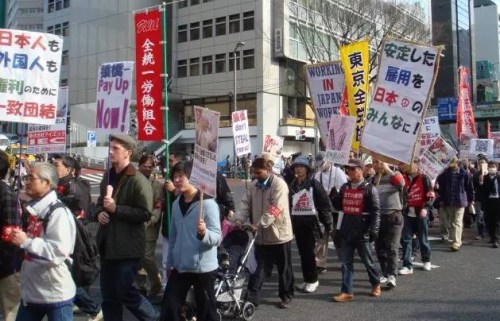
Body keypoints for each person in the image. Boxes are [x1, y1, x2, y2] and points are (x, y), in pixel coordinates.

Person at [95, 134, 159, 321]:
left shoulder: (138, 180)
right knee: (108, 295)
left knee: (124, 290)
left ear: (128, 153)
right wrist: (100, 212)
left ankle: (153, 318)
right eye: (110, 147)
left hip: (128, 248)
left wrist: (117, 209)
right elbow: (99, 203)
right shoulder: (108, 176)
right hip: (107, 245)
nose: (110, 151)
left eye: (116, 148)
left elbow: (145, 213)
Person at [10, 162, 77, 320]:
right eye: (26, 177)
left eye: (31, 178)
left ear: (46, 182)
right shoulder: (34, 209)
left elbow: (58, 251)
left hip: (55, 295)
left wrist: (26, 241)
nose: (26, 181)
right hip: (32, 293)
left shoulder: (58, 213)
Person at [160, 161, 222, 321]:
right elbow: (173, 237)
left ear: (192, 178)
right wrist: (170, 263)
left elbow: (217, 237)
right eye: (175, 177)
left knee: (207, 312)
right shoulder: (175, 204)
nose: (177, 180)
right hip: (181, 267)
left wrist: (204, 233)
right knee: (169, 308)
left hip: (203, 269)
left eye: (181, 176)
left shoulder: (208, 204)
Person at [233, 157, 294, 308]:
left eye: (259, 173)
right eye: (254, 172)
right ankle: (251, 299)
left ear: (268, 170)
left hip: (279, 234)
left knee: (284, 268)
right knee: (257, 268)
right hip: (260, 236)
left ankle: (286, 295)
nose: (256, 175)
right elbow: (245, 204)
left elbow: (275, 208)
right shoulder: (253, 185)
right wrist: (239, 220)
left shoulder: (279, 185)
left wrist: (259, 224)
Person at [52, 154, 102, 321]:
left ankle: (91, 307)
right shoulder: (60, 185)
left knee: (68, 273)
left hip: (76, 236)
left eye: (57, 165)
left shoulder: (74, 188)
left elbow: (75, 213)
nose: (54, 168)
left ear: (69, 169)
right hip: (66, 236)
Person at [332, 158, 381, 302]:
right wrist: (333, 197)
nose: (350, 171)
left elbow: (376, 211)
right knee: (346, 262)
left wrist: (374, 229)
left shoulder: (370, 188)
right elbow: (339, 206)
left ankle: (376, 283)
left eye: (353, 169)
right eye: (349, 169)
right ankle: (346, 291)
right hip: (347, 229)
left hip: (362, 231)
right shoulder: (345, 187)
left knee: (368, 261)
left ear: (362, 170)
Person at [288, 156, 333, 293]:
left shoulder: (314, 184)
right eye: (296, 167)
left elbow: (325, 205)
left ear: (307, 169)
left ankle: (313, 280)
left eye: (301, 167)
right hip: (297, 223)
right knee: (303, 253)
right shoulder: (293, 185)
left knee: (308, 253)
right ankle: (307, 279)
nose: (298, 169)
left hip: (311, 224)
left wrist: (328, 224)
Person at [372, 158, 405, 288]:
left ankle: (392, 275)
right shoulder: (374, 179)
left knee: (392, 247)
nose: (377, 165)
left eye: (379, 162)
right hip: (379, 217)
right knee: (379, 248)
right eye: (374, 163)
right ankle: (385, 273)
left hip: (394, 216)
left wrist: (388, 170)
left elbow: (401, 184)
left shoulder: (395, 175)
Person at [313, 152, 348, 272]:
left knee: (337, 237)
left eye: (322, 163)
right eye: (319, 165)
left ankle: (345, 261)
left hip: (335, 211)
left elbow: (344, 189)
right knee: (321, 237)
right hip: (322, 210)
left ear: (328, 160)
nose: (321, 166)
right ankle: (320, 264)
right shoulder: (317, 175)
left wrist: (334, 192)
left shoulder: (338, 172)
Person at [399, 160, 434, 275]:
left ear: (417, 166)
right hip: (407, 212)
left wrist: (426, 208)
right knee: (406, 239)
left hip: (421, 212)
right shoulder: (403, 178)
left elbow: (430, 195)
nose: (407, 166)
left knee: (423, 238)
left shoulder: (424, 178)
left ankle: (426, 259)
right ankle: (407, 265)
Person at [137, 155, 164, 298]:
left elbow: (159, 204)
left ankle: (155, 282)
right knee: (136, 256)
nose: (147, 169)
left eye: (150, 167)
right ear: (139, 166)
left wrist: (153, 218)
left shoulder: (157, 184)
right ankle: (140, 285)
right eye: (144, 167)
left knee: (146, 255)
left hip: (150, 224)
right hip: (134, 223)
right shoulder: (132, 180)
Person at [0, 150, 22, 321]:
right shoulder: (8, 194)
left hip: (6, 264)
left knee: (10, 311)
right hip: (6, 263)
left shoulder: (7, 194)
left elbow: (11, 231)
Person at [435, 157, 474, 251]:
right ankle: (457, 240)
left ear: (457, 163)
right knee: (452, 223)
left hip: (460, 201)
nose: (451, 165)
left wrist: (471, 199)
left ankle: (456, 243)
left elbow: (469, 187)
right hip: (449, 200)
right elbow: (440, 187)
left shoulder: (464, 173)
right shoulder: (445, 174)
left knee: (457, 222)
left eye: (453, 163)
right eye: (450, 163)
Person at [161, 151, 187, 285]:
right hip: (168, 226)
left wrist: (173, 190)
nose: (169, 164)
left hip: (182, 230)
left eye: (171, 161)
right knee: (166, 261)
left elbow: (186, 198)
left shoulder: (186, 183)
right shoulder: (167, 180)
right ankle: (166, 287)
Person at [479, 161, 500, 248]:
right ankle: (492, 236)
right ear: (487, 168)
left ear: (497, 168)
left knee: (497, 221)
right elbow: (482, 191)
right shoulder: (485, 178)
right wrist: (481, 183)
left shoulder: (499, 178)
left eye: (493, 166)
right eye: (490, 166)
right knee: (488, 221)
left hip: (498, 200)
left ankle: (496, 239)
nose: (492, 168)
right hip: (488, 201)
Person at [472, 156, 488, 240]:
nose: (482, 164)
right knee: (480, 216)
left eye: (483, 162)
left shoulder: (491, 173)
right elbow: (473, 186)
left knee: (489, 216)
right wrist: (480, 182)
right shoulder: (476, 174)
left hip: (490, 199)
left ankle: (490, 232)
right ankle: (481, 233)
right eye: (480, 162)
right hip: (479, 198)